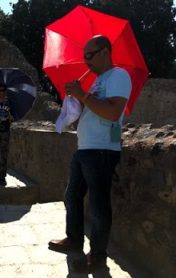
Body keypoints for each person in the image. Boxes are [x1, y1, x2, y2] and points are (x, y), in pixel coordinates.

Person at [49, 35, 130, 272]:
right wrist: (76, 101)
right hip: (85, 148)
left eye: (89, 55)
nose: (86, 61)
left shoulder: (118, 76)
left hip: (102, 150)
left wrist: (83, 95)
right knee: (72, 196)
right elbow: (94, 109)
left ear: (105, 52)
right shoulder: (97, 81)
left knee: (98, 205)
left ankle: (98, 256)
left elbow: (113, 113)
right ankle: (74, 239)